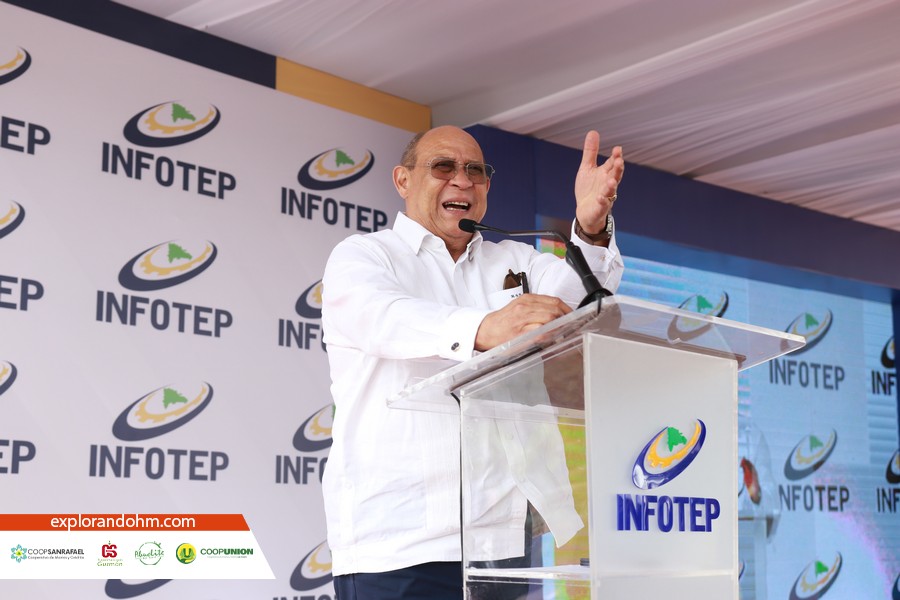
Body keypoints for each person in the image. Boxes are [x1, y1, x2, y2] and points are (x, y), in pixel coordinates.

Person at [321, 125, 625, 599]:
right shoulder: (365, 255)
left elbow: (576, 301)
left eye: (476, 170)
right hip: (399, 538)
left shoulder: (516, 257)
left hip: (500, 537)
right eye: (443, 166)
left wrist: (587, 228)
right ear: (403, 180)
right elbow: (380, 317)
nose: (462, 180)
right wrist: (484, 328)